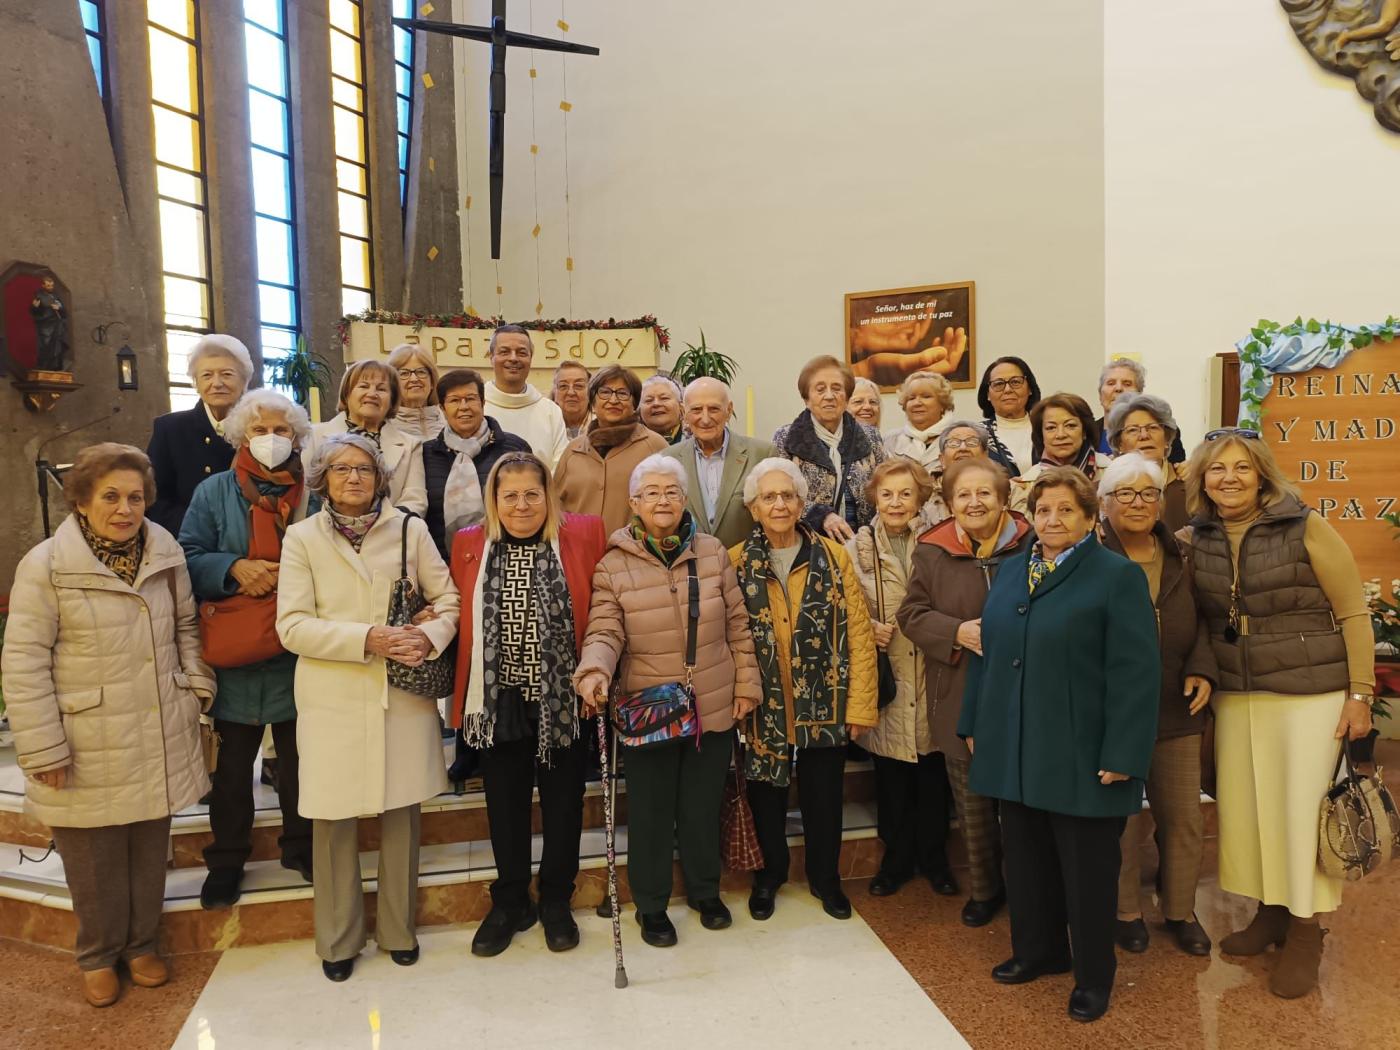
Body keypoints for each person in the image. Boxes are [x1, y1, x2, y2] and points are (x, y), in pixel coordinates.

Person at [2, 444, 212, 1007]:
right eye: (111, 497)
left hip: (157, 724)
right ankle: (97, 954)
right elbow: (24, 661)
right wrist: (43, 747)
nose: (125, 509)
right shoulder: (47, 564)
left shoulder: (163, 549)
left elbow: (186, 626)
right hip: (84, 734)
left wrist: (195, 685)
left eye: (136, 498)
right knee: (93, 860)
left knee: (148, 849)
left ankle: (141, 944)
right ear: (81, 500)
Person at [959, 466, 1159, 1023]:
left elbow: (1136, 673)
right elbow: (987, 652)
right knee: (1026, 860)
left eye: (1066, 510)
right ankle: (1038, 951)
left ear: (1091, 519)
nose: (1052, 520)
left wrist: (1124, 753)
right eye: (1043, 510)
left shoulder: (1116, 576)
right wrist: (975, 721)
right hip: (1016, 744)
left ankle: (1093, 977)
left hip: (1082, 752)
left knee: (1086, 871)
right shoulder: (1012, 570)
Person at [1181, 429, 1375, 999]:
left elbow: (1353, 611)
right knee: (1251, 811)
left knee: (1299, 814)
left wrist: (1360, 694)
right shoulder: (1196, 537)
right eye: (1218, 469)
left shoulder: (1305, 525)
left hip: (1309, 694)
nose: (1230, 478)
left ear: (1262, 474)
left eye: (1242, 467)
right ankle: (1270, 912)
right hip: (1238, 695)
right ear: (1202, 480)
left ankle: (1307, 930)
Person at [276, 434, 460, 982]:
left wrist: (428, 636)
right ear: (322, 480)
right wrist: (367, 638)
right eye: (340, 469)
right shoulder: (301, 538)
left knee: (401, 814)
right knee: (333, 820)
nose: (353, 478)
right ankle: (338, 939)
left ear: (380, 478)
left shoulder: (409, 529)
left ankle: (399, 932)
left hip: (399, 693)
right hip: (331, 694)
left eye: (363, 469)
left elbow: (448, 598)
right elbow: (292, 626)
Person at [574, 456, 760, 947]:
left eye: (671, 491)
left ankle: (705, 892)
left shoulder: (712, 552)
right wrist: (594, 669)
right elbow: (604, 630)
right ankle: (652, 906)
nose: (662, 500)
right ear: (634, 503)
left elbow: (738, 624)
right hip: (649, 708)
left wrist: (747, 685)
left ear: (684, 499)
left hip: (712, 701)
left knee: (701, 806)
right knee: (652, 814)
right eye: (651, 492)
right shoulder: (613, 565)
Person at [450, 452, 607, 956]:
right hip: (499, 699)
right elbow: (455, 608)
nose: (521, 505)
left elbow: (604, 604)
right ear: (494, 500)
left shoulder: (584, 534)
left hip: (563, 698)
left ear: (550, 496)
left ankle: (556, 898)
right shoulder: (470, 543)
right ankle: (512, 900)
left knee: (563, 803)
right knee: (505, 804)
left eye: (532, 495)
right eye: (510, 495)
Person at [179, 391, 316, 911]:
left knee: (301, 762)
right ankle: (227, 859)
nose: (271, 439)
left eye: (282, 431)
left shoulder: (313, 492)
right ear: (241, 436)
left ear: (297, 439)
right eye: (261, 430)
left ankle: (301, 846)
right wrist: (233, 568)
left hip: (296, 648)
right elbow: (187, 554)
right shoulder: (213, 491)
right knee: (233, 769)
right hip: (236, 649)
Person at [730, 458, 878, 922]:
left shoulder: (833, 556)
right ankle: (769, 876)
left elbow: (859, 632)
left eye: (788, 496)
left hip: (825, 697)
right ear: (753, 508)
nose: (779, 505)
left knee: (824, 794)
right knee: (765, 794)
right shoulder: (735, 561)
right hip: (764, 701)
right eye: (768, 497)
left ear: (801, 504)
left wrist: (859, 705)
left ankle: (825, 878)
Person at [897, 456, 1032, 927]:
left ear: (1004, 499)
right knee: (972, 803)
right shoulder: (932, 550)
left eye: (984, 493)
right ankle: (985, 890)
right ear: (949, 503)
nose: (974, 502)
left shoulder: (1032, 544)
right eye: (963, 495)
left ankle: (1029, 890)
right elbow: (911, 614)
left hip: (1024, 692)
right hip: (958, 689)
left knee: (1022, 805)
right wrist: (957, 632)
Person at [1097, 453, 1216, 957]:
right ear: (1104, 503)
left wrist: (1202, 666)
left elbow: (1205, 618)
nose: (1138, 503)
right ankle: (1126, 912)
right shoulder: (1091, 557)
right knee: (1121, 821)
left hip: (1176, 707)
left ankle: (1180, 911)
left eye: (1148, 493)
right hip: (1112, 714)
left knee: (1183, 818)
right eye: (1124, 493)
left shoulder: (1181, 554)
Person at [846, 459, 958, 898]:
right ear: (874, 497)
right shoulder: (855, 548)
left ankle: (935, 860)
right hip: (888, 677)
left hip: (932, 674)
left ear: (920, 499)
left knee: (933, 775)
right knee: (891, 778)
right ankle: (894, 862)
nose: (895, 502)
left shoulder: (940, 543)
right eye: (887, 494)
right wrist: (866, 627)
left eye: (905, 494)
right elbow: (844, 605)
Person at [772, 354, 887, 543]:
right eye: (820, 389)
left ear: (847, 397)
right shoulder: (786, 437)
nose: (829, 396)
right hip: (809, 545)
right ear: (806, 398)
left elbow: (885, 485)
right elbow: (779, 494)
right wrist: (821, 515)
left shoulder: (869, 436)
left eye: (836, 388)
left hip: (863, 543)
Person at [421, 368, 531, 561]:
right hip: (441, 563)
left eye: (470, 399)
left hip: (503, 561)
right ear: (442, 408)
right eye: (455, 400)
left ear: (483, 402)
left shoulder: (513, 448)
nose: (464, 407)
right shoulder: (426, 454)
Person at [147, 334, 252, 534]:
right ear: (196, 382)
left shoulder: (261, 428)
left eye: (227, 374)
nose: (217, 383)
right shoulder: (169, 429)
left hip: (249, 538)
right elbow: (154, 498)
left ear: (245, 381)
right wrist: (199, 529)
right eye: (207, 375)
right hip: (186, 539)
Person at [661, 376, 776, 548]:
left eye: (714, 409)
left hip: (747, 561)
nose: (705, 419)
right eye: (696, 410)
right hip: (689, 562)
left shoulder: (762, 455)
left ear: (729, 410)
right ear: (684, 413)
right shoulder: (668, 460)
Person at [301, 360, 427, 515]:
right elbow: (304, 493)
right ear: (347, 394)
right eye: (363, 386)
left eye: (381, 389)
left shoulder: (411, 445)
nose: (372, 394)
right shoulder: (313, 435)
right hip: (323, 527)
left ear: (392, 400)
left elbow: (416, 500)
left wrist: (383, 524)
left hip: (390, 527)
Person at [555, 365, 669, 533]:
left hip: (634, 547)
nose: (613, 400)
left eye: (622, 393)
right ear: (593, 401)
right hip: (579, 547)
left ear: (634, 403)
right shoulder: (573, 450)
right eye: (605, 392)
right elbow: (555, 504)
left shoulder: (654, 446)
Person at [483, 324, 569, 469]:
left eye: (521, 353)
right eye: (504, 352)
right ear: (491, 357)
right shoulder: (477, 407)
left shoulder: (550, 411)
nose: (513, 358)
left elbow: (560, 467)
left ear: (531, 358)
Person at [1103, 393, 1189, 531]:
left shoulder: (1191, 489)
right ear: (1119, 444)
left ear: (1167, 439)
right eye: (1133, 430)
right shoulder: (1101, 492)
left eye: (1153, 427)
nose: (1144, 435)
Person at [1009, 392, 1098, 513]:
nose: (1060, 435)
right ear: (1041, 435)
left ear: (1084, 431)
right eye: (1051, 428)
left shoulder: (1110, 473)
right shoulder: (1024, 486)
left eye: (1070, 425)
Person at [1091, 357, 1185, 463]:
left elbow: (1177, 467)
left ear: (1139, 394)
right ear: (1100, 395)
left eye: (1127, 384)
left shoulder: (1164, 429)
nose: (1118, 388)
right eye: (1111, 383)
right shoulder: (1086, 434)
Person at [976, 355, 1041, 476]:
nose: (1007, 390)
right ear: (988, 395)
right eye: (998, 384)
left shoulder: (1046, 429)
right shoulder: (977, 435)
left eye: (1015, 382)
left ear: (1030, 389)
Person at [919, 419, 993, 524]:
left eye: (972, 442)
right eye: (953, 443)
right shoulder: (923, 493)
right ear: (942, 459)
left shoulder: (1006, 489)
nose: (963, 448)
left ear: (985, 456)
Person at [883, 370, 956, 471]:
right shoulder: (890, 440)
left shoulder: (958, 437)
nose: (917, 403)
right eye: (911, 398)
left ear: (942, 404)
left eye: (926, 396)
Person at [387, 342, 445, 441]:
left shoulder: (451, 422)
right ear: (393, 383)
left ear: (432, 381)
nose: (414, 379)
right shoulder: (383, 428)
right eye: (404, 373)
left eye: (421, 372)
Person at [639, 374, 685, 444]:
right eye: (649, 400)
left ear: (681, 407)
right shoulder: (628, 443)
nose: (656, 404)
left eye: (664, 398)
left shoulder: (697, 439)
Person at [551, 360, 591, 439]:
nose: (571, 392)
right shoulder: (543, 424)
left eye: (578, 386)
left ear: (590, 391)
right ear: (554, 392)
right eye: (563, 386)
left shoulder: (604, 424)